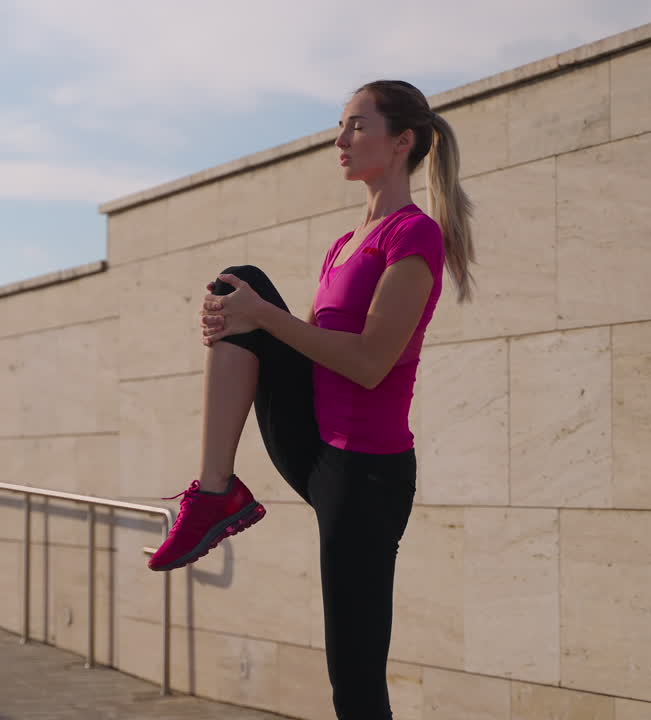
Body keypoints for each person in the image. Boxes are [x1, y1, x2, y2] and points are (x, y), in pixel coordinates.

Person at [146, 79, 476, 718]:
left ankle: (219, 492)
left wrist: (262, 319)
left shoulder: (414, 237)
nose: (340, 139)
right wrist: (237, 318)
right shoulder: (344, 243)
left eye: (357, 125)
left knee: (354, 679)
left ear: (402, 141)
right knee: (237, 285)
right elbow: (302, 343)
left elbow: (371, 364)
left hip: (367, 475)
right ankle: (215, 491)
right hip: (316, 439)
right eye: (342, 125)